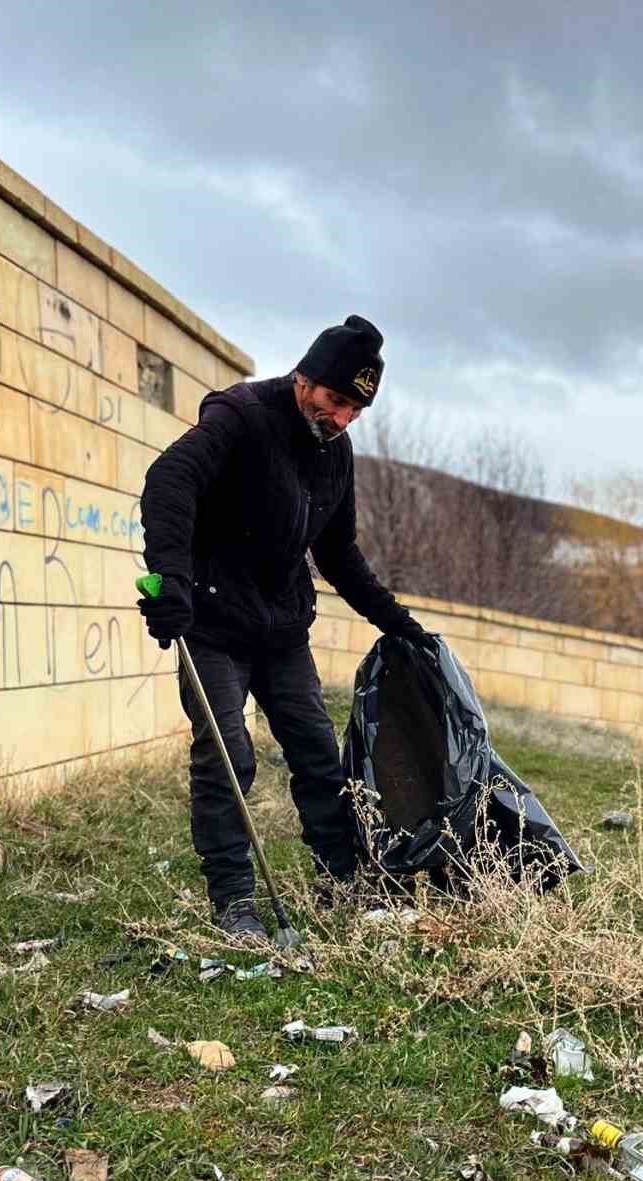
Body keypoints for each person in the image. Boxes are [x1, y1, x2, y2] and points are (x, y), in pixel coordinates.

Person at [137, 315, 432, 941]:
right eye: (335, 401)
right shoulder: (241, 417)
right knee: (228, 757)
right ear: (305, 379)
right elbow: (170, 481)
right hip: (211, 624)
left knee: (321, 759)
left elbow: (338, 552)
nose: (342, 418)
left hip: (282, 629)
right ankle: (236, 902)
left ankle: (344, 881)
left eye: (356, 410)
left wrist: (397, 622)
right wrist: (171, 580)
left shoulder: (336, 452)